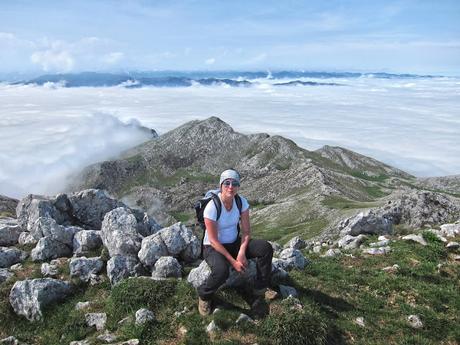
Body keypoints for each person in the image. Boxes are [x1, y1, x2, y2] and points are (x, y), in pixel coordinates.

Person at [197, 169, 277, 316]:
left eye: (235, 183)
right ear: (221, 185)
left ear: (238, 186)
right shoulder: (213, 206)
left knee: (265, 248)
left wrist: (241, 252)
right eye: (226, 183)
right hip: (213, 247)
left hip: (234, 243)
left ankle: (260, 287)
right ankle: (204, 295)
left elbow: (246, 232)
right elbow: (213, 240)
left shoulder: (241, 202)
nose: (230, 187)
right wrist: (233, 262)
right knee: (221, 271)